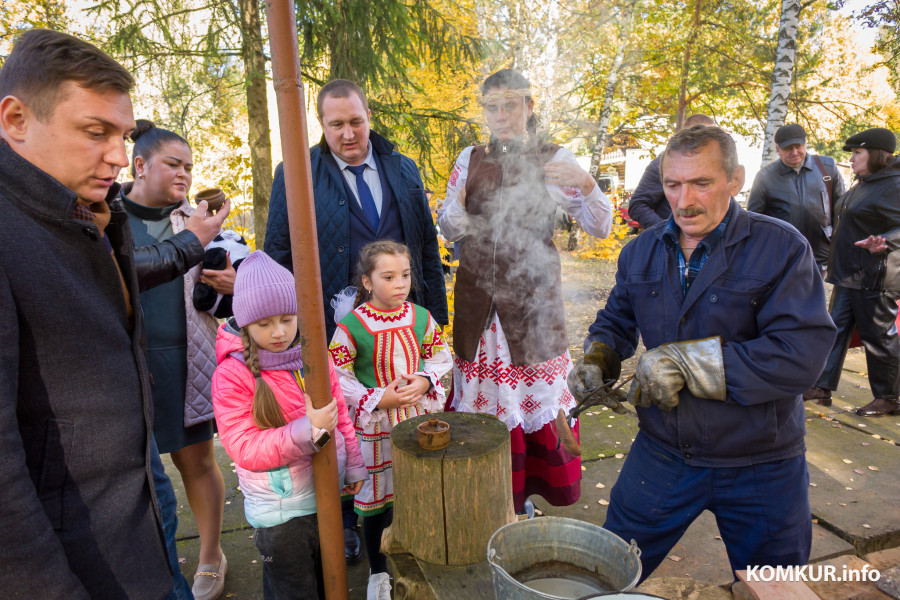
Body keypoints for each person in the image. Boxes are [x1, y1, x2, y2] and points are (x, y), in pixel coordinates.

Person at [572, 125, 836, 580]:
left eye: (701, 183)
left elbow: (799, 355)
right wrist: (599, 355)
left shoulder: (782, 248)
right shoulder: (640, 253)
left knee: (773, 589)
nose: (683, 201)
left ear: (734, 180)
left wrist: (687, 364)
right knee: (608, 573)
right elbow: (616, 320)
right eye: (673, 185)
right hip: (664, 451)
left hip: (760, 459)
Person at [0, 29, 172, 598]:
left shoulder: (86, 211)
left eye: (122, 135)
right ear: (16, 120)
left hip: (134, 547)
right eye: (95, 132)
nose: (120, 156)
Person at [264, 78, 448, 561]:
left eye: (356, 121)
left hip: (405, 325)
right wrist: (290, 331)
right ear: (321, 125)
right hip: (335, 327)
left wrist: (439, 315)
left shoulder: (402, 169)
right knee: (342, 423)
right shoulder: (296, 173)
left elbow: (427, 245)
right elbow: (279, 253)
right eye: (336, 124)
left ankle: (410, 512)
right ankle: (347, 519)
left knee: (406, 412)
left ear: (369, 118)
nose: (348, 133)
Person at [437, 68, 612, 513]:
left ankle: (522, 500)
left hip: (533, 307)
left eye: (510, 105)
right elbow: (447, 228)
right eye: (492, 107)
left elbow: (600, 226)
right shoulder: (469, 158)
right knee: (483, 408)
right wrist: (459, 202)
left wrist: (587, 182)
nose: (500, 115)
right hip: (478, 304)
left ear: (529, 107)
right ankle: (487, 496)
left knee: (527, 404)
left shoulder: (553, 158)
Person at [211, 251, 367, 600]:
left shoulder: (314, 356)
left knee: (327, 583)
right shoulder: (232, 375)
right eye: (265, 324)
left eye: (287, 318)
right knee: (292, 591)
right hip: (281, 515)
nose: (279, 332)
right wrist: (306, 431)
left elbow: (340, 414)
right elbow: (243, 447)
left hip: (326, 495)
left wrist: (354, 464)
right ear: (246, 323)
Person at [123, 120, 234, 600]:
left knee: (197, 461)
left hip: (188, 360)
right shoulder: (106, 215)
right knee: (137, 472)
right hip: (129, 364)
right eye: (173, 164)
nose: (184, 174)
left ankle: (211, 554)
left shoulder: (198, 221)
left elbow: (234, 297)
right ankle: (156, 561)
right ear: (140, 164)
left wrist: (230, 285)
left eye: (188, 165)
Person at [328, 241, 452, 600]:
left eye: (406, 275)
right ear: (367, 281)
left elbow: (440, 356)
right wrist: (380, 397)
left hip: (418, 421)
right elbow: (340, 375)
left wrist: (426, 378)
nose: (400, 284)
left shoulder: (421, 317)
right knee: (378, 502)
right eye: (389, 276)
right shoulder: (353, 326)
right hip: (378, 427)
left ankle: (419, 555)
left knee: (416, 492)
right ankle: (377, 571)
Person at [804, 128, 900, 416]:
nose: (853, 158)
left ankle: (890, 397)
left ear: (877, 154)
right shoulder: (865, 182)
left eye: (858, 152)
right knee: (834, 331)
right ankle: (822, 386)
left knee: (879, 338)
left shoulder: (893, 184)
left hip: (875, 276)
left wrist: (884, 242)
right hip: (848, 274)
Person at [748, 123, 846, 274]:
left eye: (798, 146)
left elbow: (841, 209)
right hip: (783, 255)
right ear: (778, 150)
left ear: (805, 144)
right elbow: (755, 220)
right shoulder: (765, 177)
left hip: (821, 254)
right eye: (788, 149)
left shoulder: (827, 167)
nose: (795, 152)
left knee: (815, 297)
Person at [627, 114, 716, 230]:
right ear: (684, 134)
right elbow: (637, 205)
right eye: (699, 135)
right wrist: (668, 231)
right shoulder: (661, 166)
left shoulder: (715, 166)